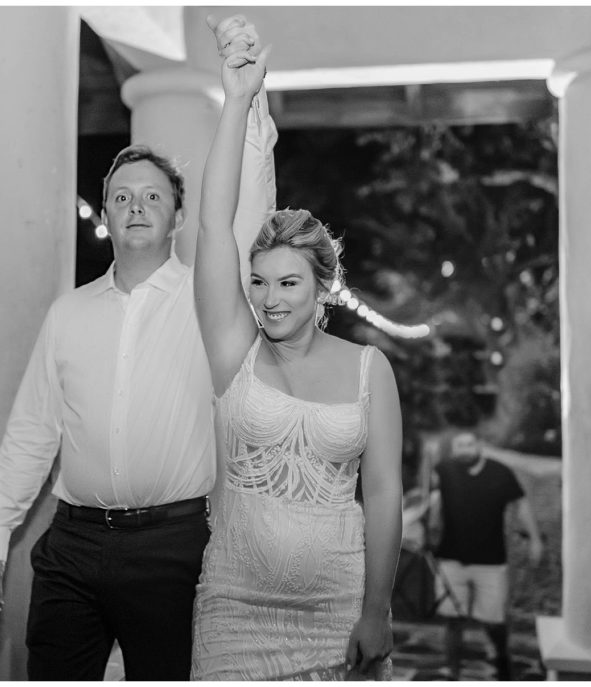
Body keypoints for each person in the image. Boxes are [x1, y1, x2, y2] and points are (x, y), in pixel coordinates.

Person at [0, 23, 276, 680]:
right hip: (71, 545)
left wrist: (247, 101)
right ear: (105, 213)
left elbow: (248, 214)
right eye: (122, 197)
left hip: (175, 547)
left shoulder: (207, 300)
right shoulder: (68, 313)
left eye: (153, 196)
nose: (137, 206)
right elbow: (32, 430)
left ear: (178, 217)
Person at [189, 17, 404, 681]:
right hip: (232, 610)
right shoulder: (235, 352)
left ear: (323, 290)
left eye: (288, 282)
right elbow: (213, 222)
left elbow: (386, 491)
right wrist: (236, 101)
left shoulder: (371, 370)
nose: (270, 297)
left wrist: (378, 608)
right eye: (258, 282)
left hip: (338, 616)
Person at [430, 428, 543, 680]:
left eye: (468, 444)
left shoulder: (500, 472)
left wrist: (534, 539)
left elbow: (521, 504)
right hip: (450, 557)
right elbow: (429, 501)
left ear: (479, 445)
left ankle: (501, 657)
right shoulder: (444, 470)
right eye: (459, 446)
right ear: (453, 449)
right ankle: (453, 672)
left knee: (494, 621)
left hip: (491, 560)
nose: (464, 450)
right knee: (452, 620)